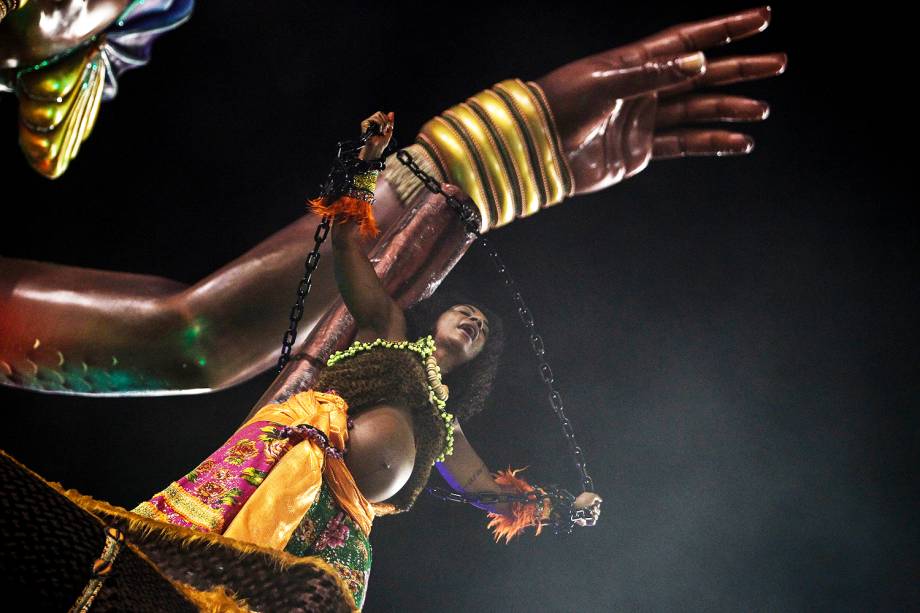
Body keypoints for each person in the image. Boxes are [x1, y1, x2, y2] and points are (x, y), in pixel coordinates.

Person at [0, 111, 602, 611]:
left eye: (482, 331)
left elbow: (480, 487)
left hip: (343, 531)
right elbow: (344, 243)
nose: (472, 321)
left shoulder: (444, 425)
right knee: (184, 582)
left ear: (476, 360)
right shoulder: (387, 327)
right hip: (293, 473)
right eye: (466, 312)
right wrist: (365, 166)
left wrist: (561, 503)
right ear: (438, 317)